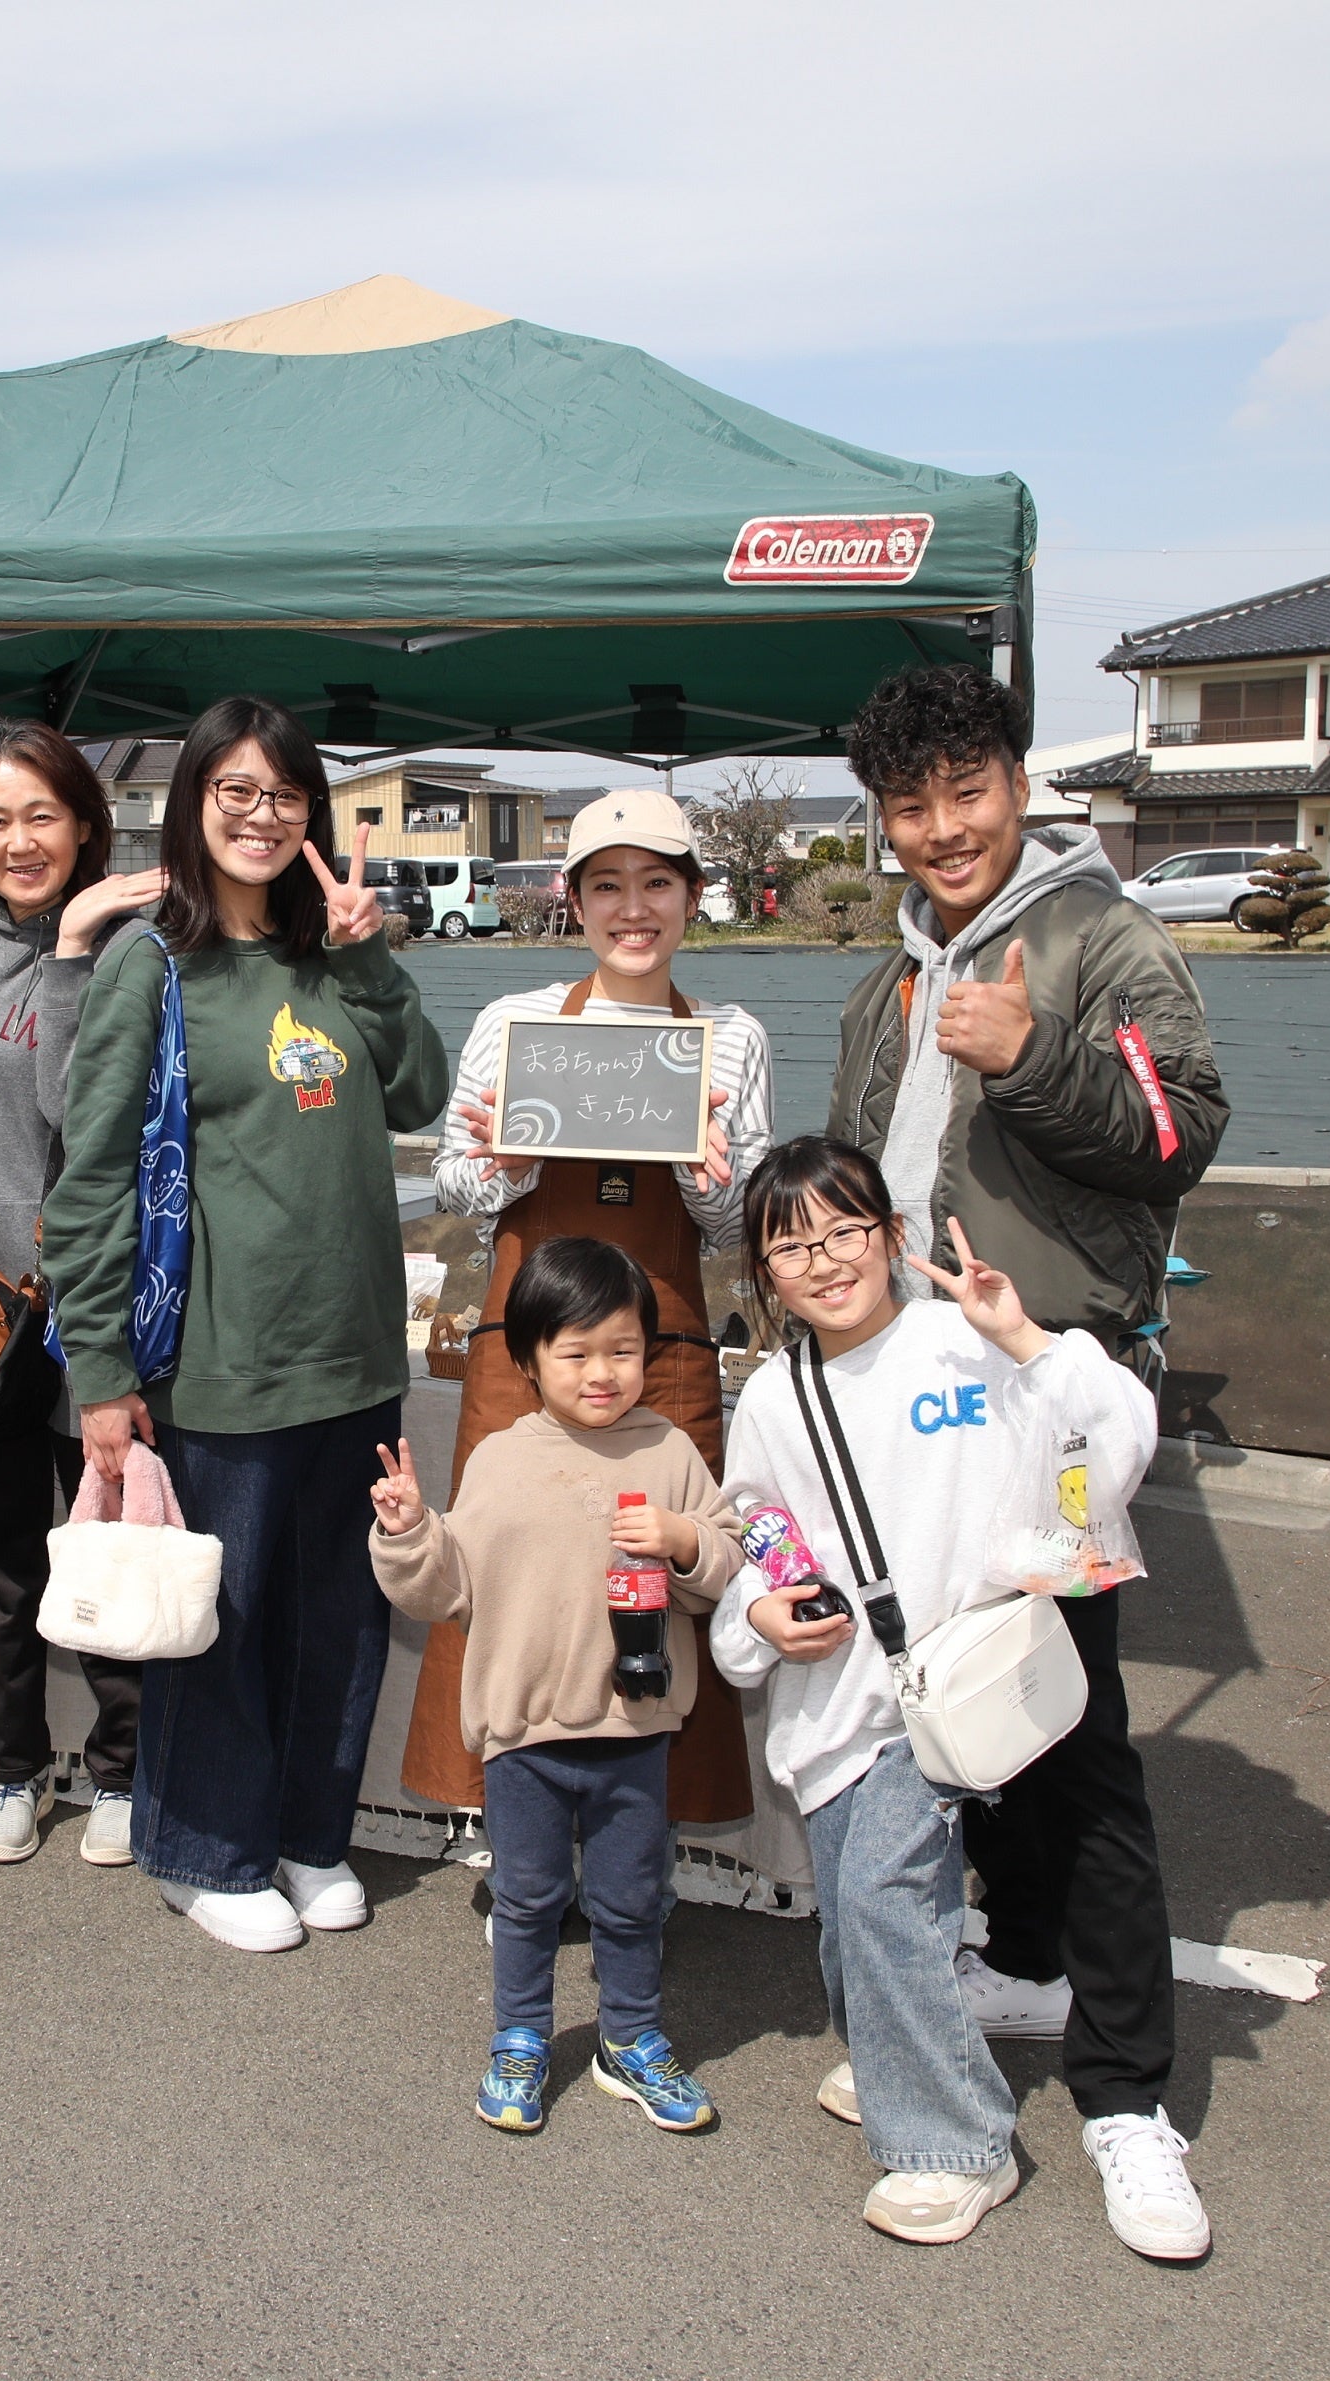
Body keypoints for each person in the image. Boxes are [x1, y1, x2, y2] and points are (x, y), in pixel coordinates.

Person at [823, 665, 1221, 2176]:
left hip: (1049, 1400)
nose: (942, 828)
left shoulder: (1104, 937)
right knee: (944, 1703)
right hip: (913, 1398)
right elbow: (856, 1181)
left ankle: (1126, 2097)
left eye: (966, 791)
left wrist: (1034, 1056)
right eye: (909, 804)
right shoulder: (889, 978)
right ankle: (1022, 1952)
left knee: (1072, 1724)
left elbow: (1180, 1132)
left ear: (1017, 785)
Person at [715, 1137, 1184, 2254]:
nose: (825, 1261)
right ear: (763, 1273)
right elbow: (755, 1536)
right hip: (857, 1692)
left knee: (883, 1892)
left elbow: (1118, 1438)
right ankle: (900, 2040)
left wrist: (1022, 1335)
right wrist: (761, 1618)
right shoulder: (775, 1394)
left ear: (891, 1232)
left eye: (844, 1229)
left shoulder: (966, 1339)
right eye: (791, 1246)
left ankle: (955, 2141)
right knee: (855, 1915)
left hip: (982, 1672)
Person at [41, 694, 450, 1954]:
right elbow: (90, 1173)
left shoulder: (336, 957)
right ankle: (202, 1847)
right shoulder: (148, 962)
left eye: (284, 794)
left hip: (356, 1351)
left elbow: (421, 1093)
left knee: (341, 1617)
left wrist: (370, 955)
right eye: (236, 790)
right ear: (193, 804)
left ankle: (309, 1834)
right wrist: (99, 1369)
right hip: (221, 1359)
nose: (261, 815)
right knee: (221, 1616)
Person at [402, 783, 771, 1838]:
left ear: (692, 896)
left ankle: (641, 1833)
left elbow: (732, 1226)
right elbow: (455, 1184)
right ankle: (499, 1821)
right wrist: (503, 1161)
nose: (632, 907)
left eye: (657, 882)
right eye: (606, 885)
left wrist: (705, 1171)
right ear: (574, 900)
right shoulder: (513, 1023)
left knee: (661, 1568)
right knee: (499, 1561)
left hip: (663, 1349)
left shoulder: (730, 1037)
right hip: (525, 1346)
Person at [369, 1235, 739, 2135]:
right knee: (526, 1898)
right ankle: (521, 2037)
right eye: (576, 1353)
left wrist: (683, 1539)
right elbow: (446, 1588)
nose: (602, 1373)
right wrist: (410, 1530)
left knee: (632, 1899)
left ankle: (631, 2037)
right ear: (530, 1359)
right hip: (523, 1736)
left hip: (635, 1727)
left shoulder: (670, 1451)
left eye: (623, 1349)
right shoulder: (501, 1457)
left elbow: (725, 1564)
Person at [0, 723, 166, 1866]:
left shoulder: (131, 941)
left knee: (103, 1533)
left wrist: (68, 949)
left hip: (81, 1290)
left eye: (41, 816)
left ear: (83, 824)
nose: (19, 841)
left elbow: (79, 1109)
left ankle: (121, 1772)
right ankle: (8, 1768)